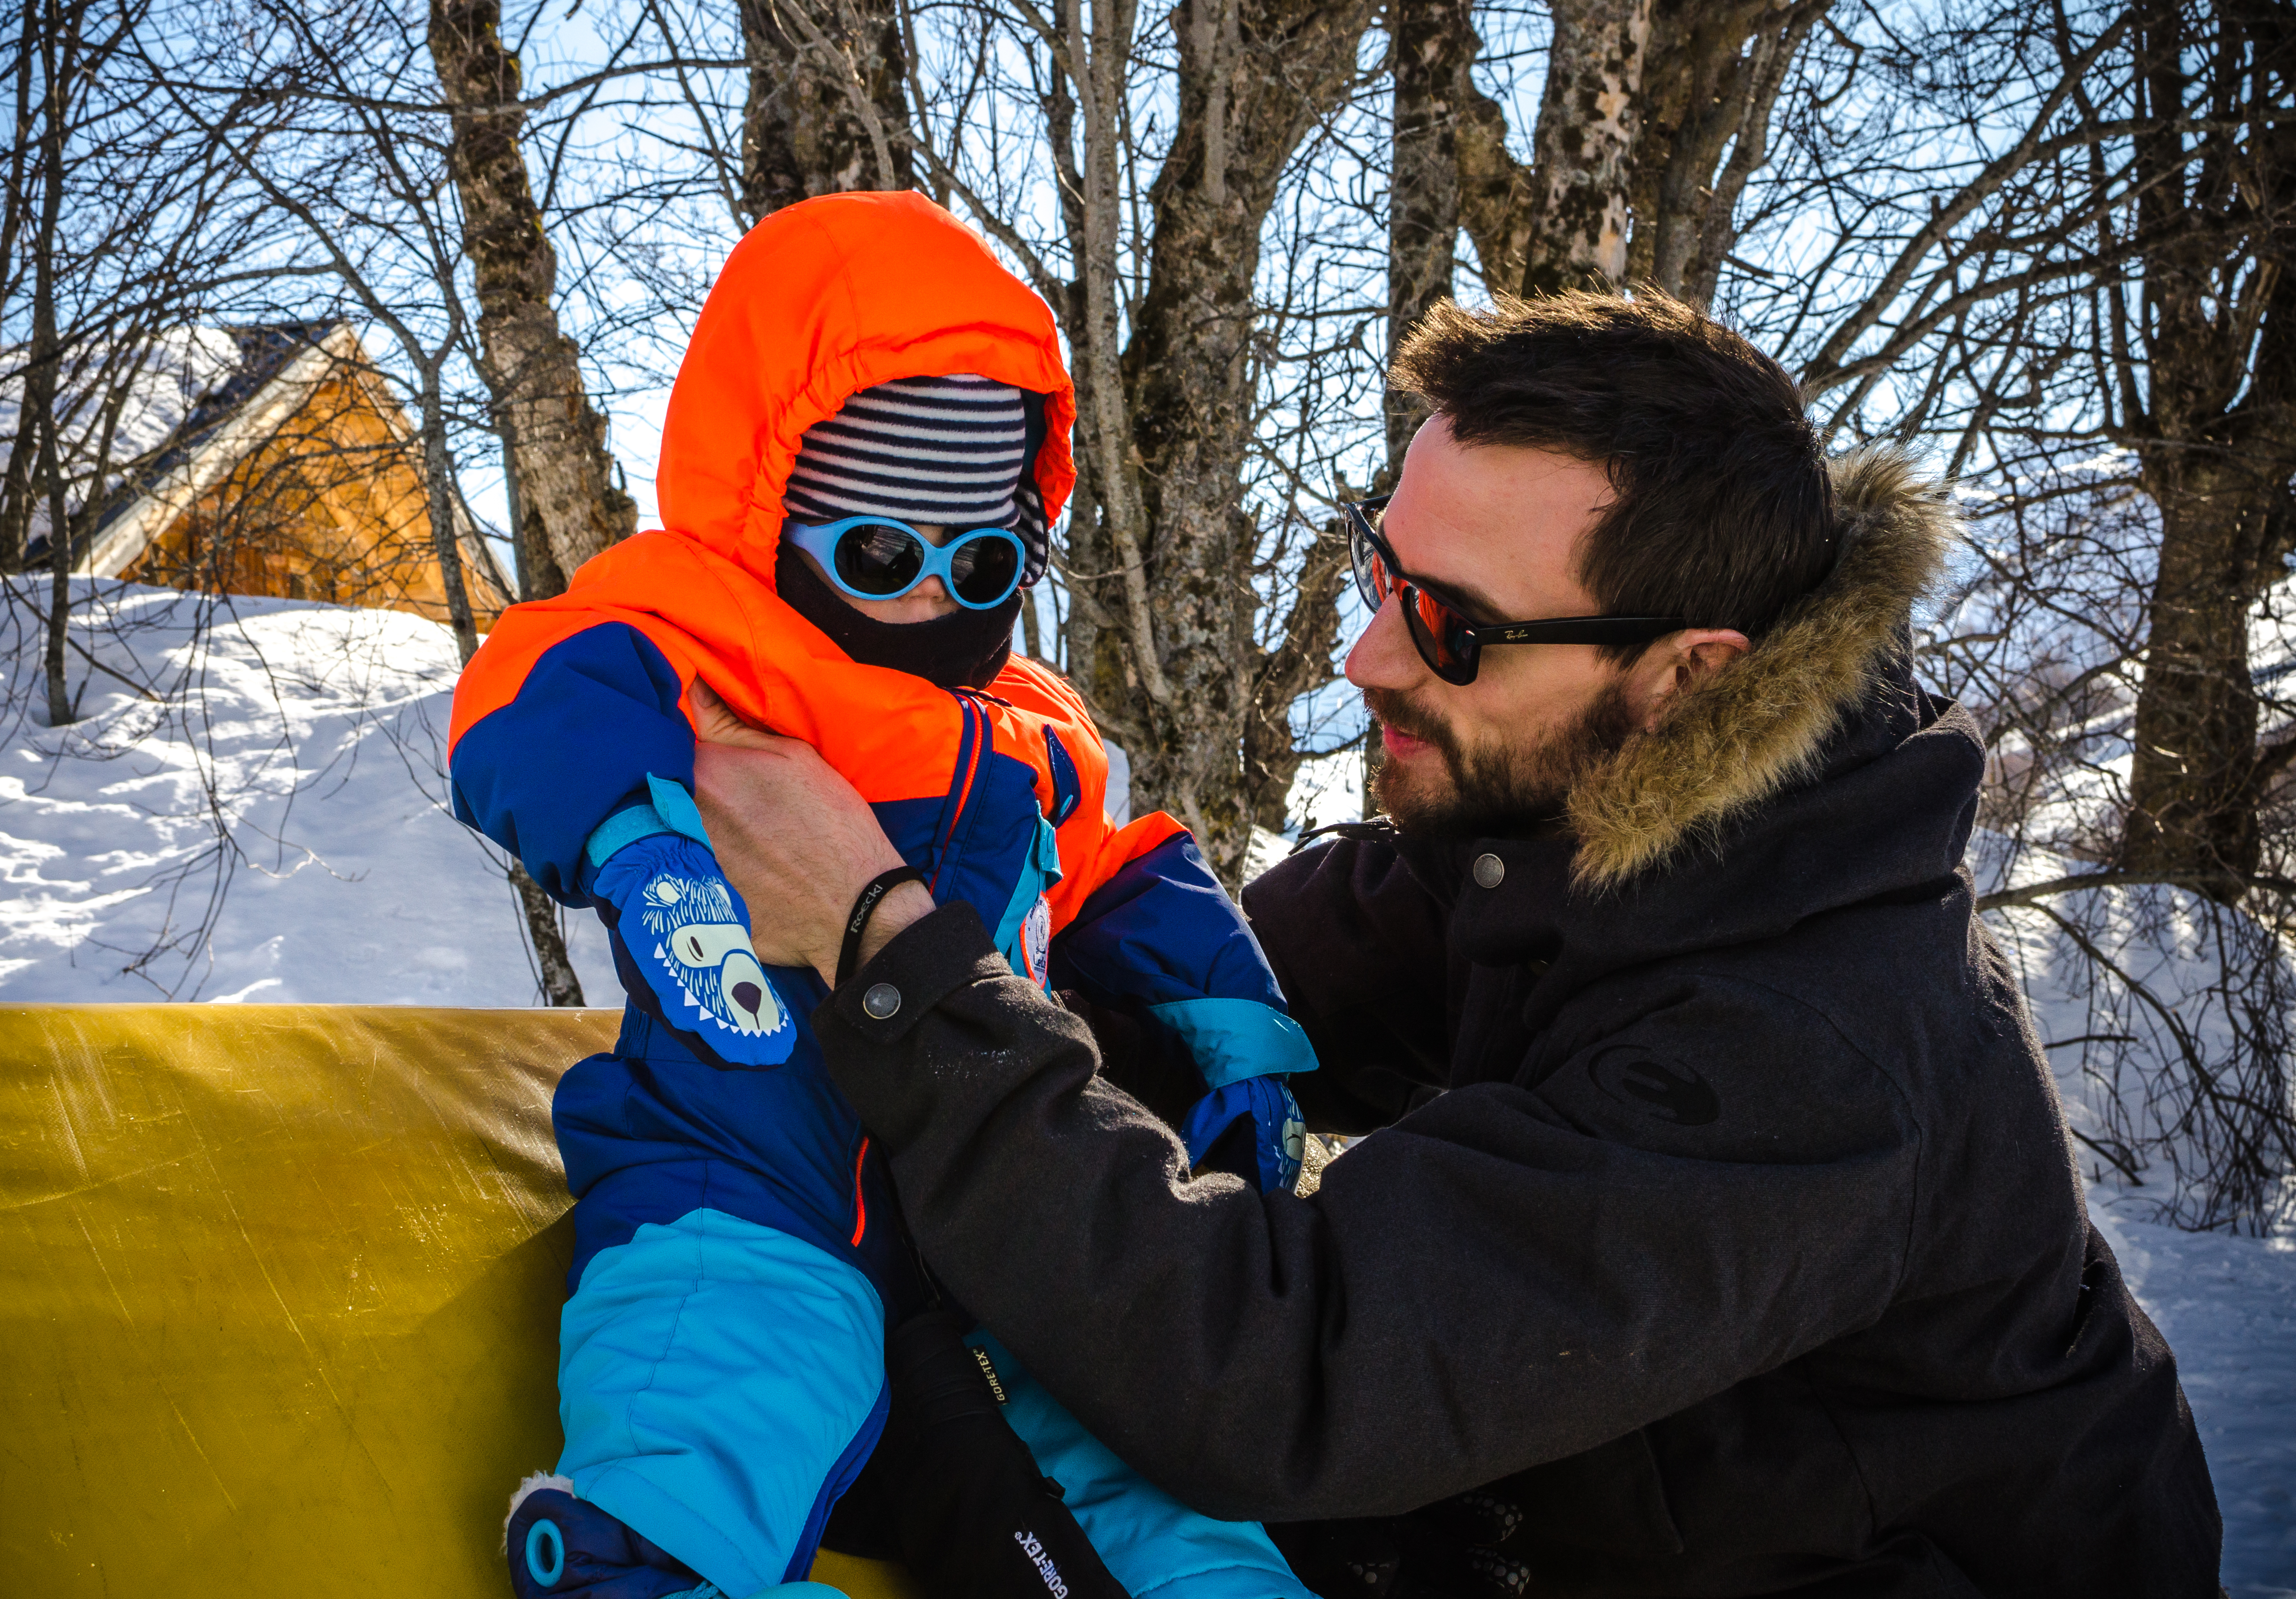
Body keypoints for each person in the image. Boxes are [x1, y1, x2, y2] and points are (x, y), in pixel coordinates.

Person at [679, 291, 2226, 1596]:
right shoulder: (1562, 824)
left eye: (1451, 624)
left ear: (1685, 678)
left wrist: (893, 952)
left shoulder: (1808, 1050)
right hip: (1604, 1502)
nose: (1368, 655)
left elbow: (1275, 1375)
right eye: (1380, 568)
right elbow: (1207, 1001)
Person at [446, 191, 1318, 1599]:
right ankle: (648, 1560)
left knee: (1145, 1465)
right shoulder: (707, 641)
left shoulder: (1033, 729)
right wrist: (638, 839)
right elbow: (527, 700)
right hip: (746, 1174)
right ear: (772, 514)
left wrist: (1242, 1041)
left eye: (977, 564)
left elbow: (1137, 867)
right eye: (876, 556)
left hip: (997, 1218)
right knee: (725, 1381)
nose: (926, 604)